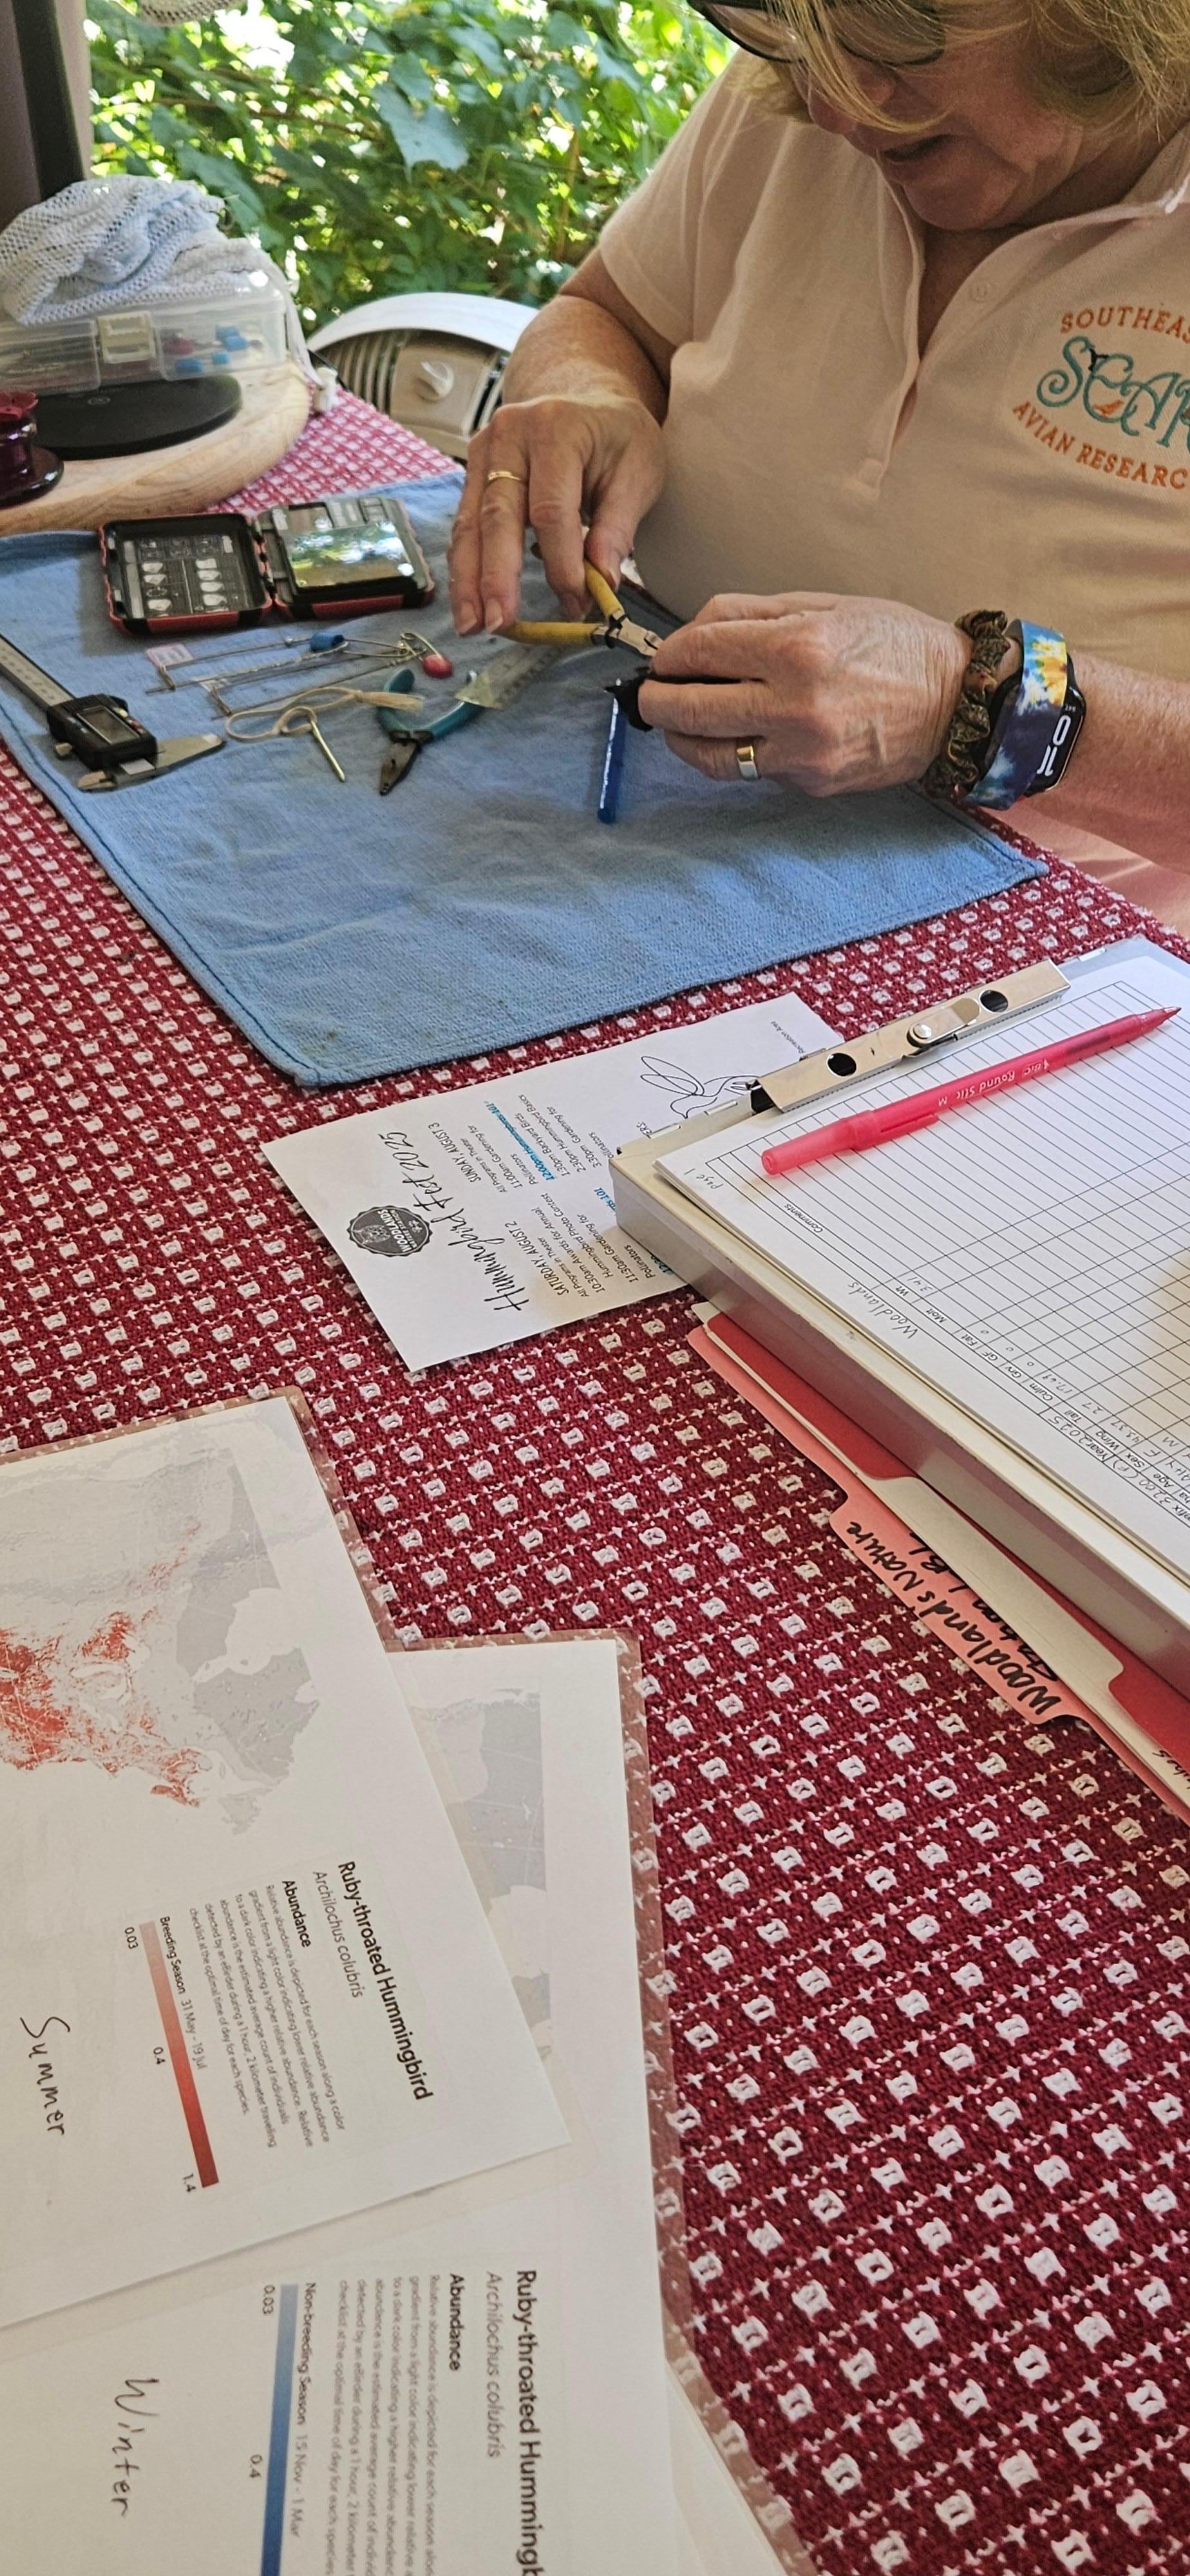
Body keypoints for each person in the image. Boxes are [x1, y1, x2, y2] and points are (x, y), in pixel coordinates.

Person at [448, 0, 1190, 927]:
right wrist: (592, 396)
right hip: (667, 840)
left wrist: (978, 705)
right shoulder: (804, 74)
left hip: (1039, 943)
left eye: (896, 37)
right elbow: (602, 314)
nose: (833, 110)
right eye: (794, 38)